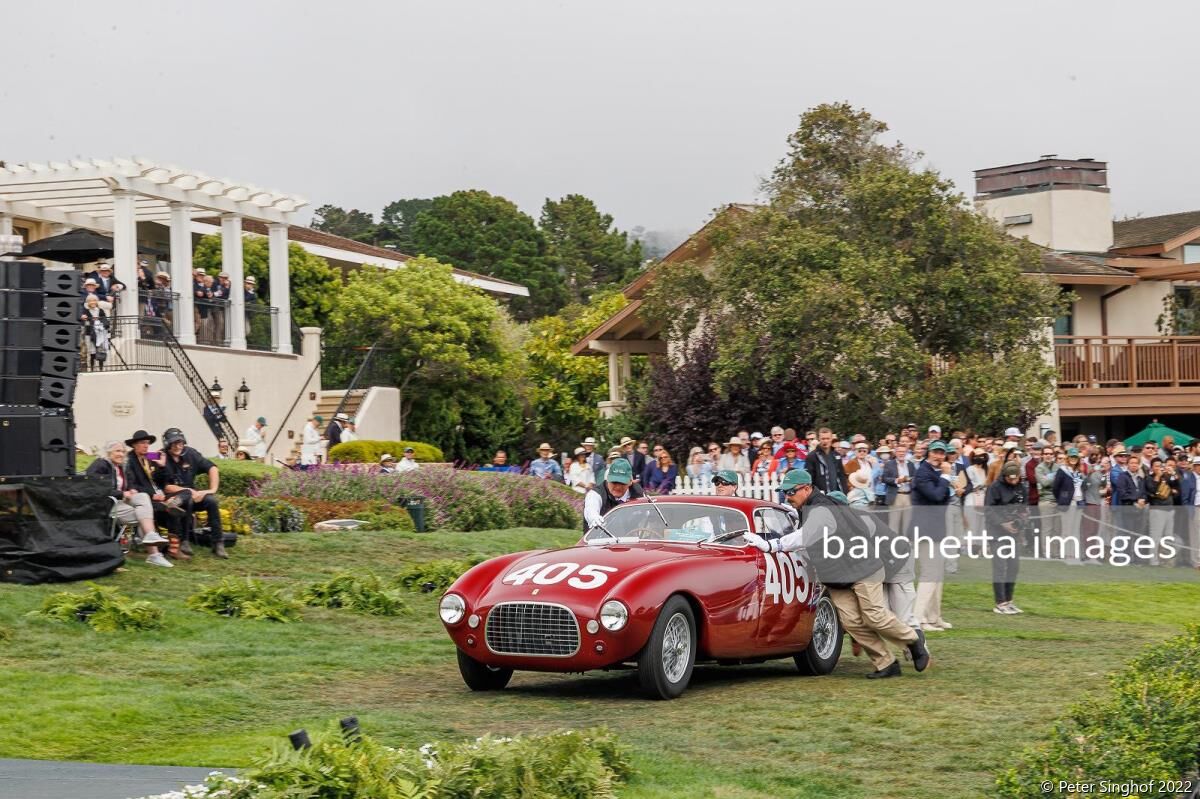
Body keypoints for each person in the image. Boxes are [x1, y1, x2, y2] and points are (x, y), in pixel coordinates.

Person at [742, 470, 930, 679]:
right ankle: (886, 663)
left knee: (874, 616)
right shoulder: (808, 507)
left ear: (806, 488)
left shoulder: (821, 508)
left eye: (791, 492)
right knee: (851, 622)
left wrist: (770, 545)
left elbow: (805, 537)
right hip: (836, 576)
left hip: (862, 568)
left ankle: (913, 640)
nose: (787, 496)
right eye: (784, 492)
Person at [87, 440, 173, 567]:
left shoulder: (125, 465)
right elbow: (94, 487)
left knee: (143, 499)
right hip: (106, 504)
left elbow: (133, 482)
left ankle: (150, 538)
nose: (121, 454)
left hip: (123, 502)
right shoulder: (101, 465)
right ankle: (153, 554)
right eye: (117, 451)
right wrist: (121, 494)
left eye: (122, 451)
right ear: (108, 452)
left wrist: (131, 489)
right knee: (145, 514)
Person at [158, 427, 228, 559]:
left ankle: (218, 543)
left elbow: (212, 467)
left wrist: (211, 490)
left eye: (180, 442)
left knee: (211, 501)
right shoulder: (160, 455)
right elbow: (166, 487)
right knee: (188, 498)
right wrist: (189, 491)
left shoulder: (191, 454)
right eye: (174, 443)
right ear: (167, 444)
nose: (178, 446)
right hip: (172, 498)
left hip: (193, 495)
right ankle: (184, 541)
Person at [123, 429, 188, 559]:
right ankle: (173, 549)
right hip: (146, 498)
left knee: (186, 493)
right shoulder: (129, 459)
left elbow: (162, 480)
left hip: (160, 494)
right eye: (142, 443)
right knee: (171, 511)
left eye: (147, 443)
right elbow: (132, 485)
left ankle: (172, 504)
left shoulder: (150, 456)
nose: (146, 446)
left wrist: (162, 466)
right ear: (134, 445)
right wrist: (152, 495)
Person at [911, 440, 954, 631]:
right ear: (929, 453)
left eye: (941, 453)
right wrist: (945, 476)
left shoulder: (934, 474)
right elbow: (936, 496)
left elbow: (943, 499)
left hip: (936, 529)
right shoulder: (922, 472)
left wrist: (944, 480)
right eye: (935, 453)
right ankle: (918, 619)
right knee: (929, 574)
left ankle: (934, 617)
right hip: (924, 531)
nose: (939, 456)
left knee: (938, 575)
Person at [986, 463, 1027, 614]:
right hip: (997, 532)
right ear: (1004, 476)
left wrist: (1020, 523)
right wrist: (1003, 523)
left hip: (1014, 533)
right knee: (1000, 567)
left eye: (1015, 479)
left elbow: (1024, 509)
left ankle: (1009, 600)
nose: (1013, 481)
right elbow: (989, 510)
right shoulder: (995, 487)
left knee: (1013, 567)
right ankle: (1000, 602)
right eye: (1010, 479)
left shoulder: (1021, 487)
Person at [582, 458, 643, 531]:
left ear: (630, 482)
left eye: (622, 483)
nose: (617, 487)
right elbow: (590, 510)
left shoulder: (638, 493)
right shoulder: (595, 494)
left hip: (629, 539)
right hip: (599, 539)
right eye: (614, 482)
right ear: (607, 479)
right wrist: (595, 518)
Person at [881, 443, 916, 534]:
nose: (901, 453)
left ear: (906, 453)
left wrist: (910, 480)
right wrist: (897, 480)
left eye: (903, 452)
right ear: (895, 453)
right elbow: (884, 478)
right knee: (894, 522)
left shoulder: (910, 464)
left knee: (907, 523)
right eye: (899, 451)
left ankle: (906, 544)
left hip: (908, 496)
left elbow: (915, 478)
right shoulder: (889, 464)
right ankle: (893, 544)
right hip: (896, 495)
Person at [806, 427, 848, 494]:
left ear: (831, 439)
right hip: (820, 496)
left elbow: (841, 476)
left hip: (837, 495)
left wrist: (845, 493)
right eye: (823, 439)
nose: (825, 441)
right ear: (819, 439)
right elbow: (809, 479)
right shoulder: (812, 456)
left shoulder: (836, 455)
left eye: (828, 438)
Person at [80, 294, 111, 370]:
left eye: (94, 300)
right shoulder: (86, 311)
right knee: (92, 353)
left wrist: (98, 320)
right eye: (90, 301)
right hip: (90, 335)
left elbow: (105, 321)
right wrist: (84, 318)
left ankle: (101, 369)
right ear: (88, 302)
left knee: (100, 352)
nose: (92, 302)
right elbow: (83, 320)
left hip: (100, 334)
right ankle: (91, 369)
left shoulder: (100, 310)